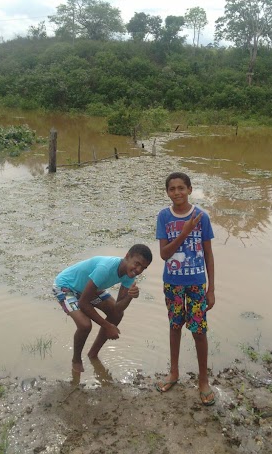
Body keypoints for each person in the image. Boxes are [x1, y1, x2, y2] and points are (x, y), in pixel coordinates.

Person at [155, 172, 216, 406]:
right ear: (167, 192)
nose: (177, 192)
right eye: (172, 189)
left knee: (199, 331)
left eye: (182, 188)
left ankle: (203, 381)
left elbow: (209, 255)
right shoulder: (164, 217)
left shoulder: (202, 217)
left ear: (190, 189)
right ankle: (174, 373)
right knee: (175, 327)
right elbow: (164, 254)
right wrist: (184, 232)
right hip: (173, 283)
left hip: (197, 284)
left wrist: (211, 289)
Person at [53, 244, 153, 373]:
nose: (138, 270)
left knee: (117, 315)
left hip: (90, 289)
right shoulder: (105, 268)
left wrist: (130, 296)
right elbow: (84, 303)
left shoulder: (130, 274)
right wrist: (108, 326)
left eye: (143, 268)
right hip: (66, 286)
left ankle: (93, 354)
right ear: (127, 256)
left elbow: (117, 308)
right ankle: (76, 360)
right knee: (85, 325)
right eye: (137, 264)